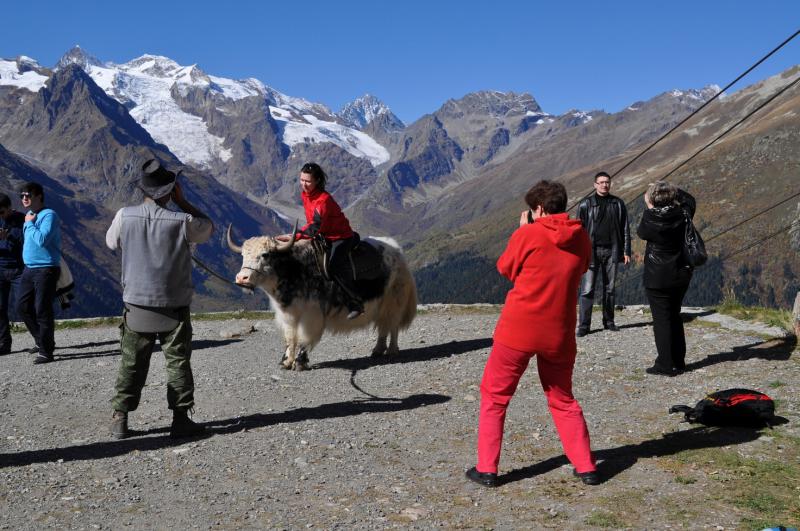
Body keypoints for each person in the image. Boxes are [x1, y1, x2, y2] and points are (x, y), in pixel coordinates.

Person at [466, 180, 600, 488]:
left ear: (538, 208)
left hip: (518, 330)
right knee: (563, 398)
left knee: (495, 397)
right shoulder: (581, 237)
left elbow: (505, 268)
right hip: (560, 331)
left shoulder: (528, 233)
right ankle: (586, 466)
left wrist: (521, 230)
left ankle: (487, 468)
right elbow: (580, 270)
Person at [106, 159, 213, 439]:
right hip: (173, 305)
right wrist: (184, 202)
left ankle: (121, 417)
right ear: (170, 191)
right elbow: (208, 228)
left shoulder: (124, 216)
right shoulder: (183, 221)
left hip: (136, 302)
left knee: (131, 362)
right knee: (177, 361)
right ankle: (180, 419)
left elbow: (111, 242)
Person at [636, 181, 696, 376]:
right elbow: (690, 201)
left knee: (661, 320)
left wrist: (650, 203)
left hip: (657, 276)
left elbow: (641, 233)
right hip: (681, 272)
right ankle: (679, 361)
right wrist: (673, 190)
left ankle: (664, 364)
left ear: (652, 200)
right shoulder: (683, 214)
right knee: (675, 315)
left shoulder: (649, 217)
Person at [294, 162, 363, 319]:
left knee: (333, 265)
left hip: (340, 236)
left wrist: (297, 235)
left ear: (317, 181)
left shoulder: (323, 201)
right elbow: (312, 223)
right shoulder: (306, 195)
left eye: (308, 181)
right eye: (302, 180)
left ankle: (355, 303)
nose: (304, 184)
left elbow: (316, 226)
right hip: (325, 235)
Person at [576, 171, 631, 336]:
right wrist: (579, 253)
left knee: (610, 289)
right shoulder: (586, 204)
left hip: (612, 251)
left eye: (607, 182)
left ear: (610, 184)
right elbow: (578, 231)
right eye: (601, 182)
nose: (604, 185)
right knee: (587, 289)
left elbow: (625, 229)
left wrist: (626, 251)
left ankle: (609, 322)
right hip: (591, 252)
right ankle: (584, 326)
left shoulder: (618, 204)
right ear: (595, 185)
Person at [17, 182, 61, 364]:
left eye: (28, 195)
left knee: (42, 309)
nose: (24, 198)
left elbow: (42, 239)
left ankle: (46, 351)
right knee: (22, 307)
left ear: (39, 196)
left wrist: (29, 225)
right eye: (22, 195)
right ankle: (41, 340)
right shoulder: (29, 215)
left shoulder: (49, 215)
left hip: (46, 268)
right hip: (29, 268)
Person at [0, 193, 25, 355]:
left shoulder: (22, 220)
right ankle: (4, 343)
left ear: (9, 208)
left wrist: (9, 236)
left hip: (18, 270)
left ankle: (41, 340)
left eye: (1, 212)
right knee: (0, 307)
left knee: (24, 306)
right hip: (0, 268)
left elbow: (28, 244)